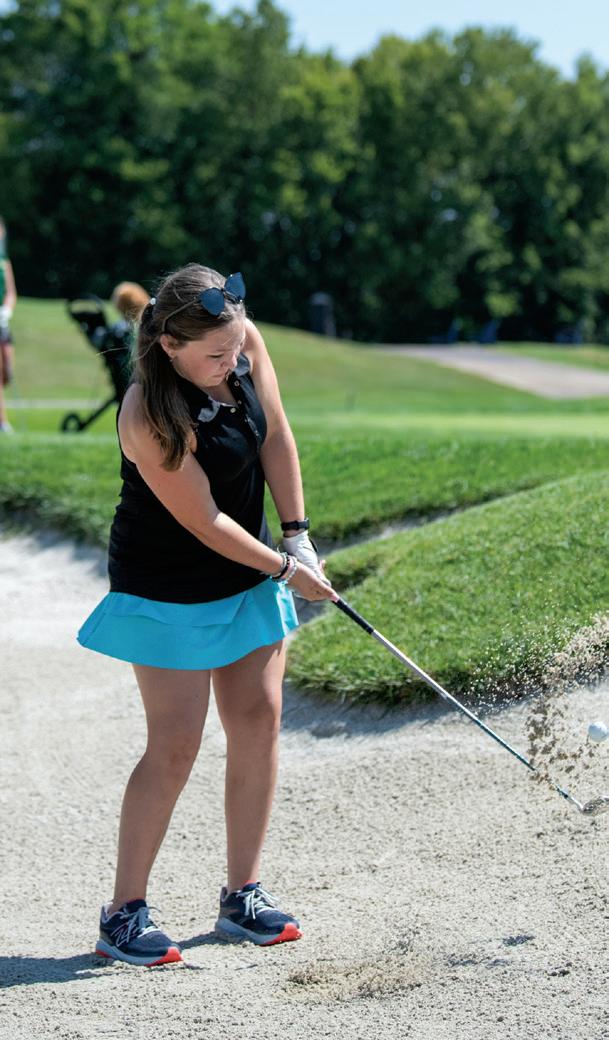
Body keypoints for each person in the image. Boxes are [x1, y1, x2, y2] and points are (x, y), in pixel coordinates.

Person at [77, 263, 337, 967]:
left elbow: (275, 436)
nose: (233, 361)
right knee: (175, 745)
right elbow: (204, 521)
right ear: (169, 346)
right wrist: (285, 570)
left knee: (258, 720)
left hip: (250, 566)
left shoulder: (242, 343)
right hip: (167, 587)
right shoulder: (146, 413)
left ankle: (241, 895)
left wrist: (298, 536)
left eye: (237, 347)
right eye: (217, 355)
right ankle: (123, 913)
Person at [0, 216, 18, 433]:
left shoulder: (4, 261)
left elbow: (11, 293)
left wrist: (6, 310)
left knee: (6, 372)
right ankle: (2, 422)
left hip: (2, 321)